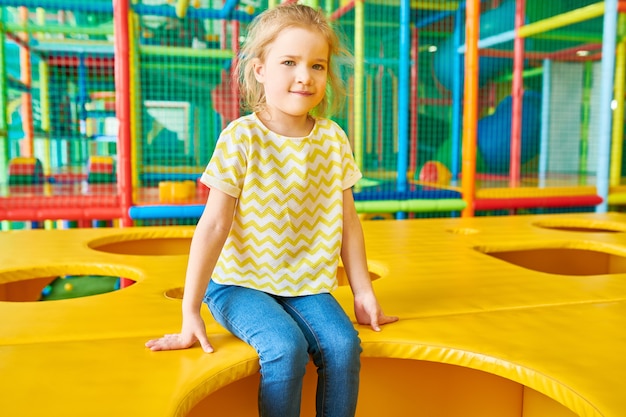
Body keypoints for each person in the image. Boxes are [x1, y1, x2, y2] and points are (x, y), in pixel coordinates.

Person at [145, 3, 398, 416]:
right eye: (289, 62)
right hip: (237, 283)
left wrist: (363, 290)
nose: (305, 76)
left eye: (317, 65)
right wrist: (190, 310)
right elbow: (212, 226)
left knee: (344, 345)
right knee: (284, 346)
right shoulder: (241, 138)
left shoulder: (333, 140)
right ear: (260, 69)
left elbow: (349, 223)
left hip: (303, 283)